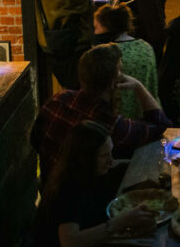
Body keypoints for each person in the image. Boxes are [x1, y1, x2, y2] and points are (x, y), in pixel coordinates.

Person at [31, 44, 170, 180]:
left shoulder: (58, 99)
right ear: (113, 83)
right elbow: (161, 125)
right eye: (120, 70)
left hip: (50, 192)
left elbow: (35, 140)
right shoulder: (111, 124)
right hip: (87, 198)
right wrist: (139, 87)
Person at [33, 121, 154, 247]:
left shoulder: (87, 172)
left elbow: (116, 165)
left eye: (111, 152)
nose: (110, 160)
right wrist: (121, 222)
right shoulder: (68, 188)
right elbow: (70, 244)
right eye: (104, 156)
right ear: (85, 158)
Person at [93, 3, 159, 120]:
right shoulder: (146, 47)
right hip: (149, 113)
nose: (95, 32)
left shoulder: (109, 54)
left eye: (96, 28)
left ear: (106, 28)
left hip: (121, 121)